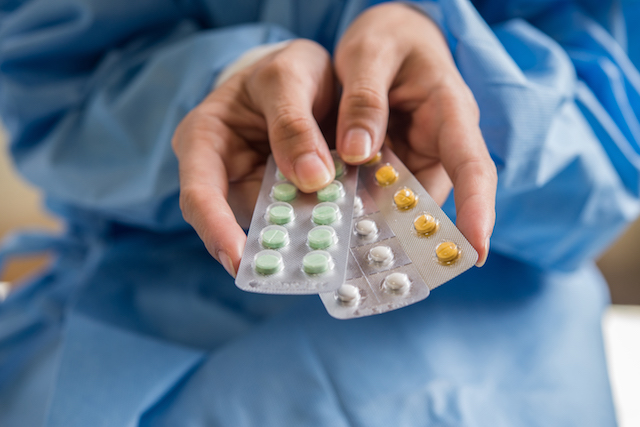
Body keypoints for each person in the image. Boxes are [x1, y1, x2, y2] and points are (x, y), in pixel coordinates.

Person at [0, 0, 637, 425]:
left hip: (514, 354)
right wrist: (224, 83)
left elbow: (618, 135)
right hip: (149, 322)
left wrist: (472, 103)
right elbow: (49, 86)